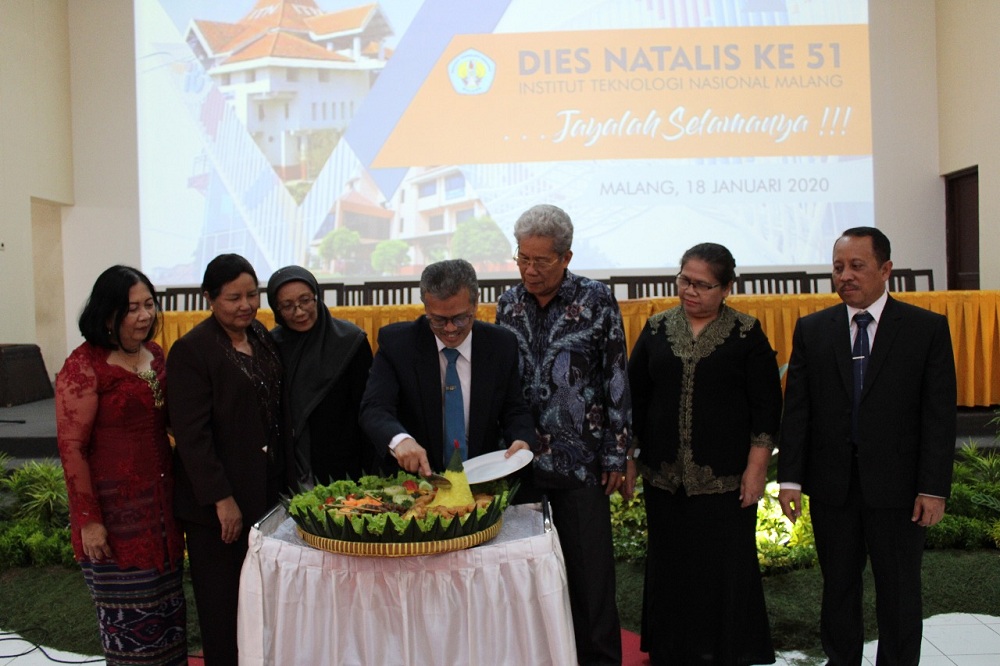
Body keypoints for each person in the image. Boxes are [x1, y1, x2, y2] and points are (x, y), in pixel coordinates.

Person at [778, 227, 957, 666]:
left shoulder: (925, 329)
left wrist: (933, 488)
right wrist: (791, 479)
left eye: (857, 266)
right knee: (838, 587)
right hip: (833, 487)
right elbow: (798, 410)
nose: (845, 276)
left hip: (899, 490)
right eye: (838, 267)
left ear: (885, 269)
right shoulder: (813, 330)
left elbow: (938, 416)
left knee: (898, 591)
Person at [627, 243, 780, 665]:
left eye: (702, 285)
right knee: (671, 567)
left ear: (727, 287)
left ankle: (727, 649)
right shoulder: (657, 328)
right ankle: (672, 649)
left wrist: (756, 469)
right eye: (684, 280)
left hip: (726, 481)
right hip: (664, 478)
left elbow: (766, 408)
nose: (690, 291)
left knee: (725, 569)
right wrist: (629, 458)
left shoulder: (747, 333)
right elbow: (634, 398)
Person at [495, 204, 631, 666]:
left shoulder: (596, 299)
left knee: (590, 578)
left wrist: (617, 455)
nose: (530, 270)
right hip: (519, 463)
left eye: (541, 261)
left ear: (566, 257)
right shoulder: (507, 303)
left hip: (580, 461)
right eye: (522, 259)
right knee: (527, 576)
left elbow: (615, 376)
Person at [55, 265, 187, 665]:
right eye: (133, 308)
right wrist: (88, 520)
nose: (145, 315)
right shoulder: (84, 365)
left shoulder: (157, 356)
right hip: (114, 516)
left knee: (170, 619)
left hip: (161, 509)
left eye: (149, 304)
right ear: (108, 314)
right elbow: (72, 448)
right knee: (130, 630)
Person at [167, 253, 290, 666]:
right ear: (209, 298)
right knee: (224, 609)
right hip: (218, 507)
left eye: (252, 294)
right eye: (233, 297)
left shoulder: (260, 333)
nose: (245, 305)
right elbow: (191, 435)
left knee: (264, 601)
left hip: (266, 491)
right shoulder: (191, 350)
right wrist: (221, 499)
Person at [360, 258, 535, 477]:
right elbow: (374, 408)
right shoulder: (398, 344)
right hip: (416, 482)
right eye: (438, 320)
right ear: (426, 307)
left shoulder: (500, 344)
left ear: (475, 303)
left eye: (460, 318)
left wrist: (522, 438)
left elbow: (514, 408)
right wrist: (400, 440)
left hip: (480, 479)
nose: (450, 329)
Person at [266, 265, 376, 484]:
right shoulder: (271, 346)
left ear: (317, 296)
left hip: (344, 465)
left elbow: (367, 408)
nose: (299, 312)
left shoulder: (350, 341)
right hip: (290, 466)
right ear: (276, 310)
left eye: (305, 300)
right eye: (287, 306)